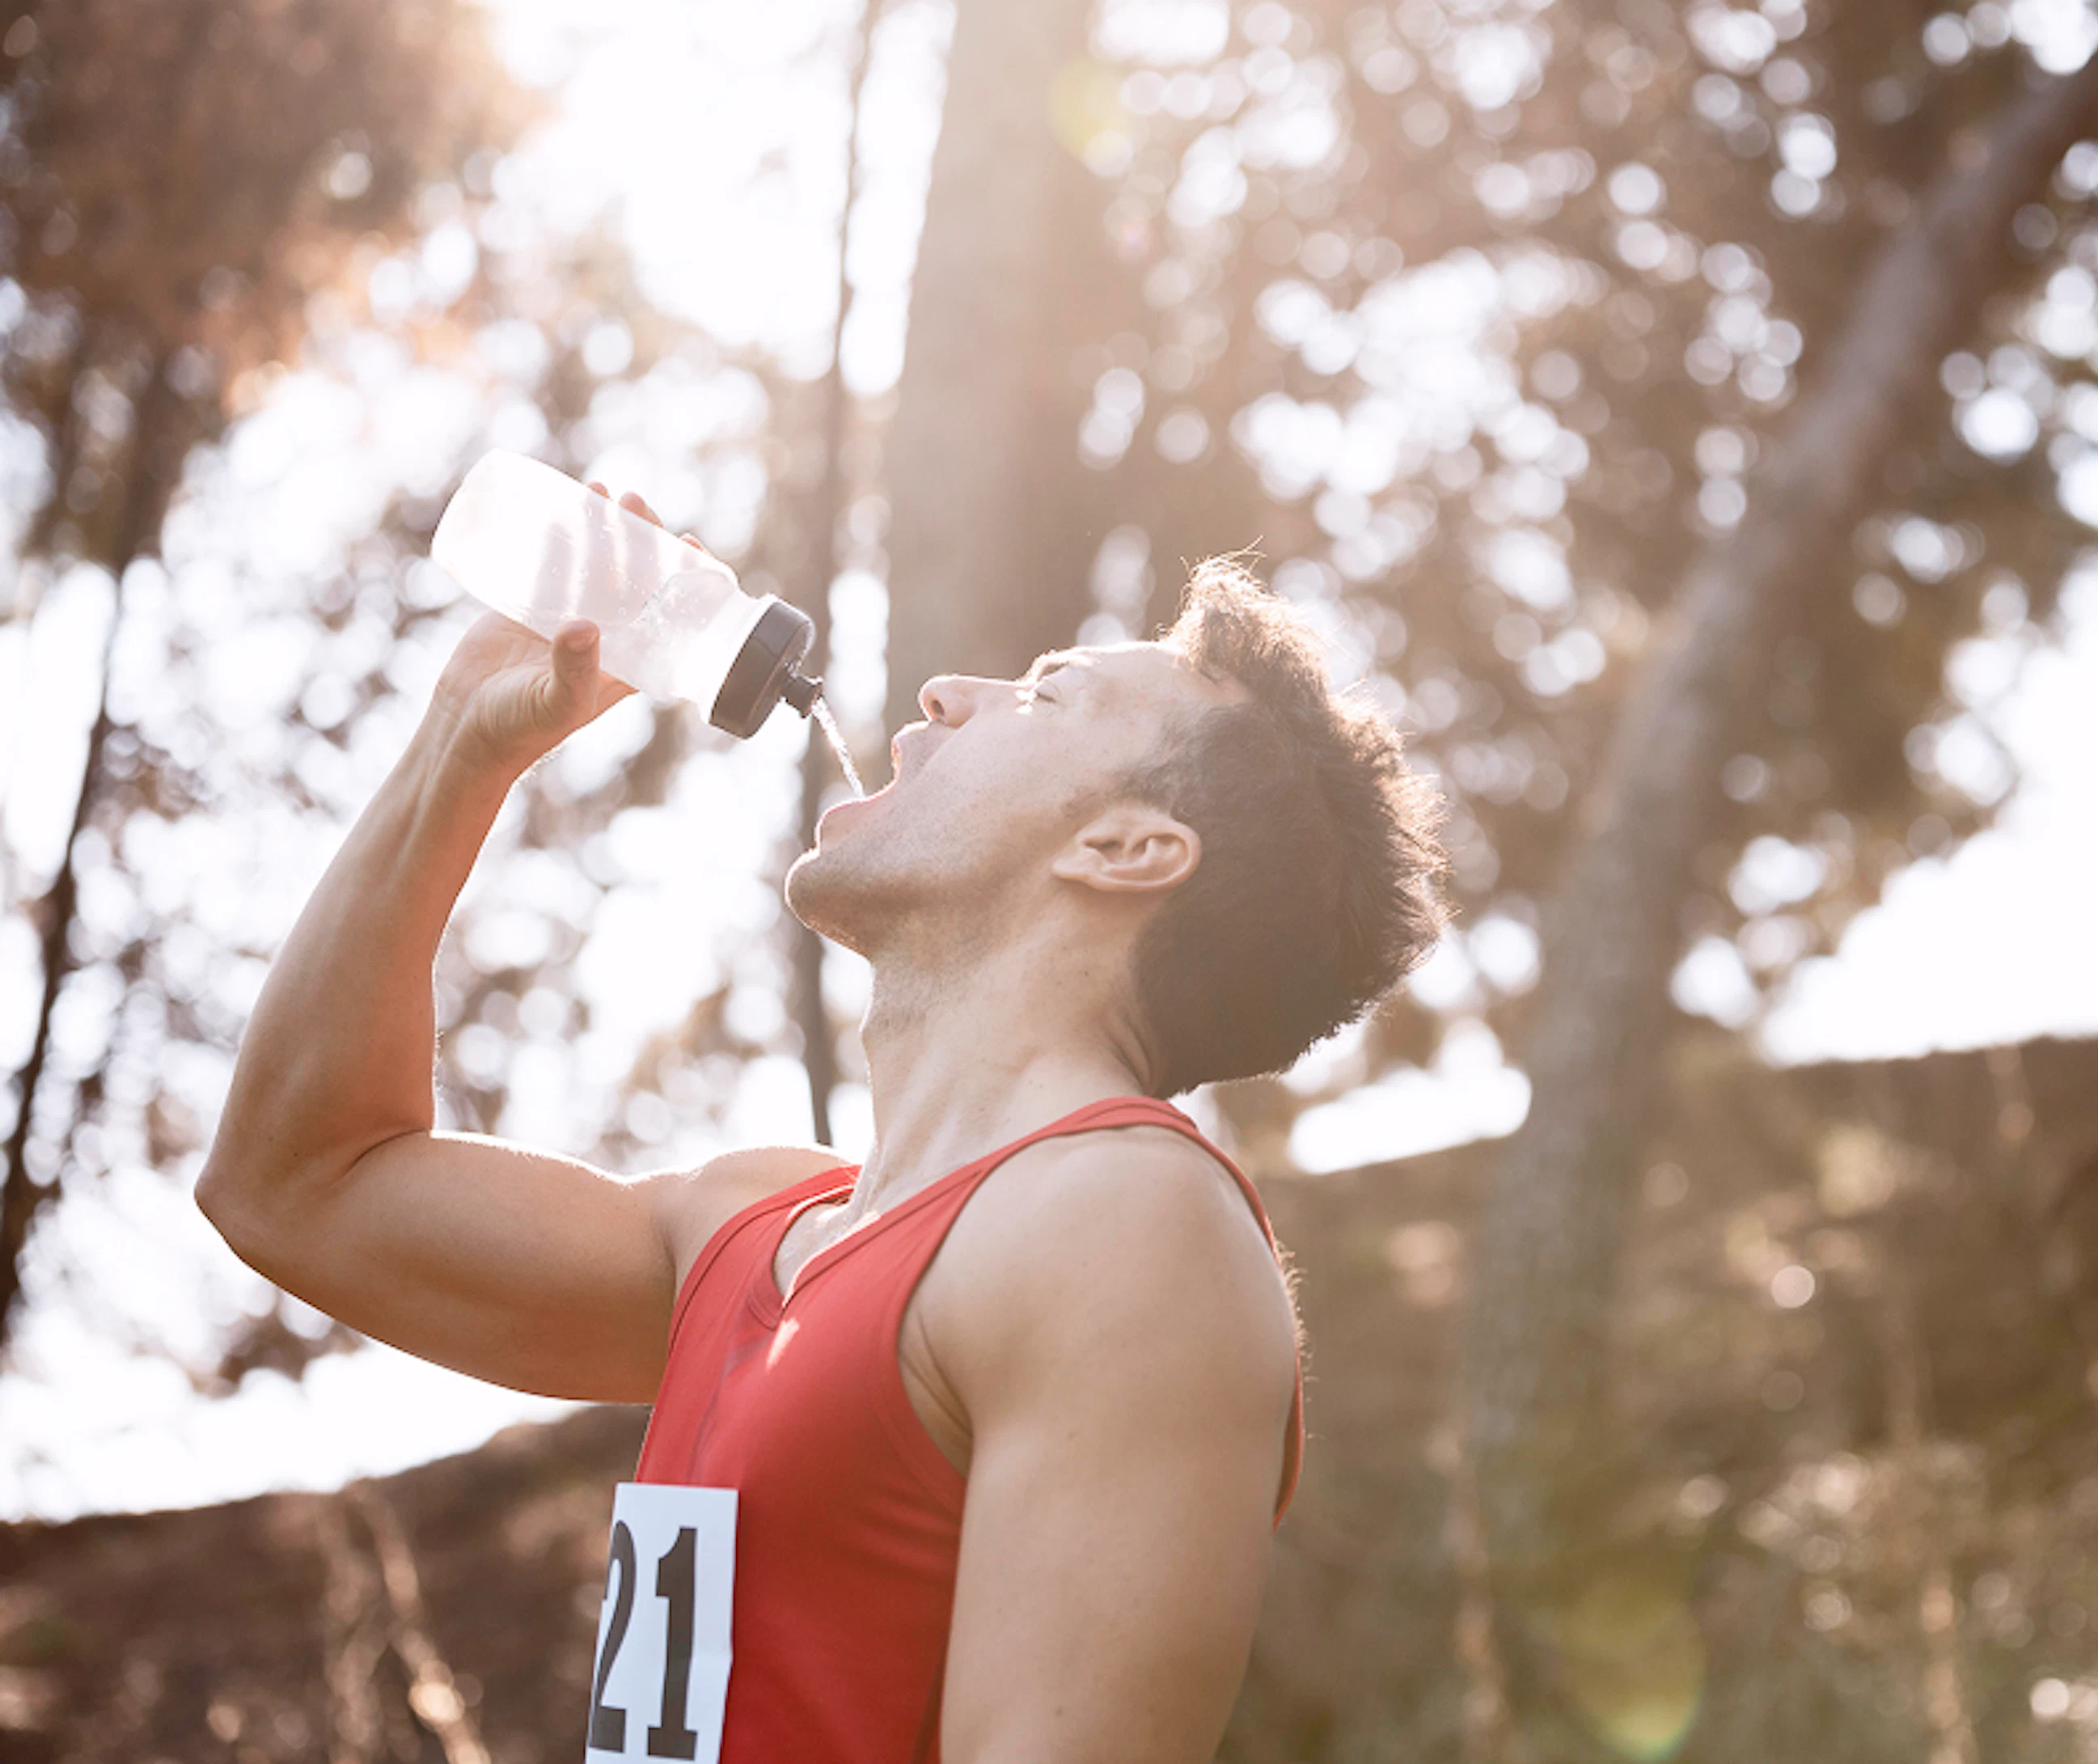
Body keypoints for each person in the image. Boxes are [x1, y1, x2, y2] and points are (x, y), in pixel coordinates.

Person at [197, 488, 1449, 1764]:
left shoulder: (1130, 1229)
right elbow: (297, 1185)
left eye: (1048, 692)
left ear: (1129, 847)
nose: (949, 691)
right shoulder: (750, 1232)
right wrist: (461, 747)